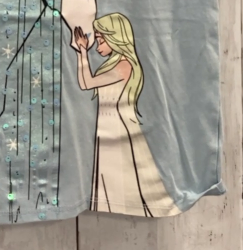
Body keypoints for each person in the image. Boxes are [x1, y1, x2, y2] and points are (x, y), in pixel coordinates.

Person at [74, 13, 180, 217]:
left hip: (117, 127)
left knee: (121, 176)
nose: (98, 45)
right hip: (106, 125)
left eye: (101, 40)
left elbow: (87, 83)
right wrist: (82, 52)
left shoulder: (125, 65)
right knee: (110, 177)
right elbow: (85, 83)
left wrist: (83, 52)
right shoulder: (114, 64)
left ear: (115, 37)